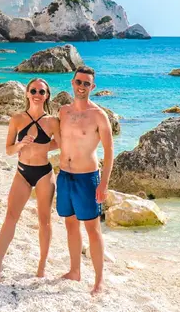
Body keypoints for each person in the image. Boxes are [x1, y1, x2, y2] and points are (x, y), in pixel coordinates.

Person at [0, 78, 60, 284]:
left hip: (44, 174)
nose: (37, 94)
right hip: (22, 172)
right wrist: (21, 144)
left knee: (44, 220)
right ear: (27, 94)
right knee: (11, 216)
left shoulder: (53, 121)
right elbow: (8, 150)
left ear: (47, 95)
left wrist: (44, 147)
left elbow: (62, 143)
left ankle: (41, 265)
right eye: (34, 90)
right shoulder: (17, 119)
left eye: (42, 91)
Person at [56, 66, 114, 295]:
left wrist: (104, 183)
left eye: (86, 83)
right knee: (70, 224)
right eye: (78, 82)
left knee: (93, 229)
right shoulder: (63, 111)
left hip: (87, 178)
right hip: (64, 176)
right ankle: (75, 271)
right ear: (72, 82)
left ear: (93, 87)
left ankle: (99, 280)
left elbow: (109, 151)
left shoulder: (98, 115)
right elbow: (58, 141)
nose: (81, 87)